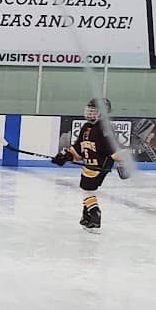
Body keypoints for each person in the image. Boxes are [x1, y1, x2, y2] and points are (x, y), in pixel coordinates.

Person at [51, 97, 126, 231]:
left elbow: (113, 148)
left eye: (94, 111)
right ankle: (86, 217)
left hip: (98, 166)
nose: (91, 114)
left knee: (87, 190)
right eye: (90, 111)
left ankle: (94, 215)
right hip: (89, 166)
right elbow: (79, 147)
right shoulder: (86, 127)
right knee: (87, 190)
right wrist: (66, 156)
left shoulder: (104, 128)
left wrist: (123, 163)